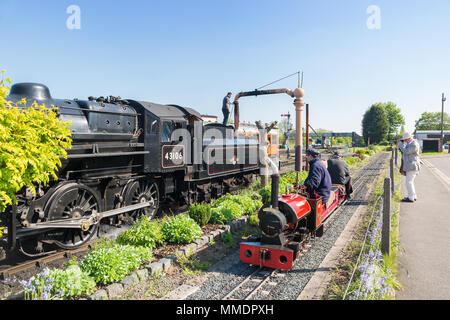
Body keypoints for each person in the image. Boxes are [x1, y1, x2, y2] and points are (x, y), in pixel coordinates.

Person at [397, 132, 421, 203]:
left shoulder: (414, 144)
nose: (404, 141)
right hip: (410, 165)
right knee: (410, 182)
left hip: (412, 166)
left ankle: (411, 198)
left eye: (405, 140)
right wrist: (402, 145)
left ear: (408, 138)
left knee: (408, 182)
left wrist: (401, 145)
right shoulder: (409, 144)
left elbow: (407, 152)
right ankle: (413, 196)